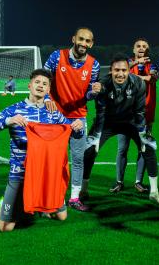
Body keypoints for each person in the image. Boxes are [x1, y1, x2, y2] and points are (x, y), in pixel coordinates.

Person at [0, 69, 84, 232]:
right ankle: (5, 202)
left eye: (45, 84)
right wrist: (8, 121)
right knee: (6, 227)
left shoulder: (53, 113)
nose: (41, 86)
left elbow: (74, 132)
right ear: (29, 85)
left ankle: (40, 205)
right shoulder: (14, 110)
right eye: (37, 82)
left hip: (46, 173)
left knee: (61, 217)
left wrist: (78, 127)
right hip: (20, 172)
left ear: (48, 90)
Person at [83, 54, 159, 205]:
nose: (120, 74)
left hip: (131, 121)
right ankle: (84, 189)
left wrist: (142, 134)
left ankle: (154, 192)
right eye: (116, 70)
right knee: (90, 150)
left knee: (148, 147)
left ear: (129, 70)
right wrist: (95, 136)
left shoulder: (138, 83)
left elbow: (140, 111)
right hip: (108, 122)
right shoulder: (103, 84)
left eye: (123, 70)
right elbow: (100, 111)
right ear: (111, 71)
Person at [44, 27, 101, 211]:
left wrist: (94, 92)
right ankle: (52, 196)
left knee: (78, 159)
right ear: (73, 38)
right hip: (55, 117)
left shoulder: (94, 64)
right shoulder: (56, 56)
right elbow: (43, 78)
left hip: (78, 118)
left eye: (87, 41)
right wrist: (46, 98)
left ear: (91, 44)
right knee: (54, 158)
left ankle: (74, 198)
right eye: (81, 39)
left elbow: (88, 95)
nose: (83, 43)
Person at [110, 38, 158, 193]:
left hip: (144, 114)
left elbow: (151, 78)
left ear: (148, 49)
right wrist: (135, 63)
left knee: (143, 148)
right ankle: (119, 181)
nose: (141, 48)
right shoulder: (127, 65)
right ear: (133, 49)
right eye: (138, 46)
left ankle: (138, 182)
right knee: (122, 148)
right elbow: (116, 74)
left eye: (145, 46)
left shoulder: (153, 65)